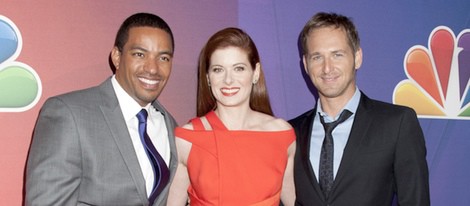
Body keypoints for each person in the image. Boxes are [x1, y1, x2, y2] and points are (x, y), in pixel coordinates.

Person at [25, 13, 178, 206]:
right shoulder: (69, 114)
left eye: (163, 58)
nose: (153, 68)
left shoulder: (171, 126)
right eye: (140, 54)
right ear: (116, 56)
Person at [289, 12, 430, 205]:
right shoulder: (290, 133)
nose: (327, 68)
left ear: (357, 57)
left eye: (337, 55)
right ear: (306, 64)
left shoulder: (396, 124)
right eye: (317, 57)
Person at [167, 27, 296, 206]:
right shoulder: (186, 139)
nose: (228, 80)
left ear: (255, 72)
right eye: (218, 70)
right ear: (208, 77)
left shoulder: (282, 135)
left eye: (239, 68)